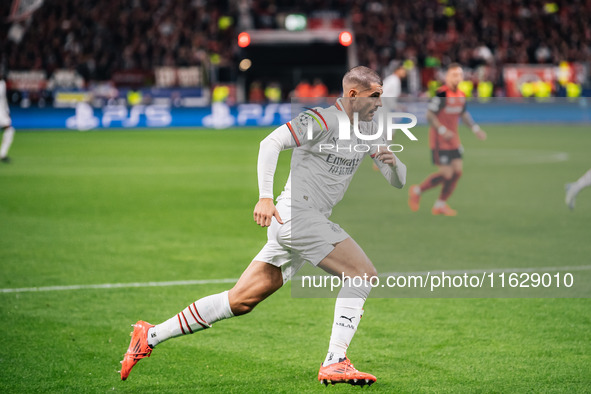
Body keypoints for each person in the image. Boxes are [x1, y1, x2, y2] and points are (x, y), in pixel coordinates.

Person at [120, 66, 407, 386]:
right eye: (375, 96)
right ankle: (335, 361)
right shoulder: (322, 119)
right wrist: (264, 198)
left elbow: (398, 181)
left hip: (302, 222)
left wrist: (393, 165)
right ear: (353, 95)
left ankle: (150, 335)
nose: (380, 103)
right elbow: (270, 143)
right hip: (297, 215)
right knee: (361, 273)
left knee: (239, 300)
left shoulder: (369, 130)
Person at [408, 63, 486, 216]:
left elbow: (463, 114)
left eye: (460, 75)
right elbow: (429, 115)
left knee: (457, 172)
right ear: (448, 77)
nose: (457, 78)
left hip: (454, 140)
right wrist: (443, 130)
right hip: (440, 140)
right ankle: (417, 190)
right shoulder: (442, 94)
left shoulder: (462, 95)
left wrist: (476, 129)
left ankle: (440, 204)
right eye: (454, 75)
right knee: (446, 174)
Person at [0, 73, 15, 163]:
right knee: (9, 130)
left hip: (1, 112)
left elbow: (4, 99)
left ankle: (3, 154)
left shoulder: (2, 84)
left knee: (9, 130)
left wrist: (7, 111)